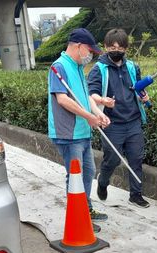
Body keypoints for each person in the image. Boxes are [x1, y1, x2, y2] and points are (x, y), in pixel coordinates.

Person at [48, 28, 110, 230]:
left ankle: (86, 209)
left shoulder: (76, 67)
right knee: (75, 175)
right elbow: (63, 99)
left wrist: (97, 113)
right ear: (79, 46)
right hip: (68, 133)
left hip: (82, 131)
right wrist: (89, 117)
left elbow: (84, 98)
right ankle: (79, 218)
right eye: (89, 51)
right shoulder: (59, 67)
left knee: (88, 171)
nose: (90, 55)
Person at [87, 28, 150, 208]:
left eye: (120, 47)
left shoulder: (132, 67)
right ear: (105, 47)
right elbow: (91, 94)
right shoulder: (99, 69)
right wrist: (103, 101)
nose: (116, 50)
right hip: (111, 123)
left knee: (136, 158)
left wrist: (143, 97)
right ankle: (103, 181)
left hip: (133, 121)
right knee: (112, 159)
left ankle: (136, 195)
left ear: (125, 48)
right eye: (112, 47)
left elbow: (137, 89)